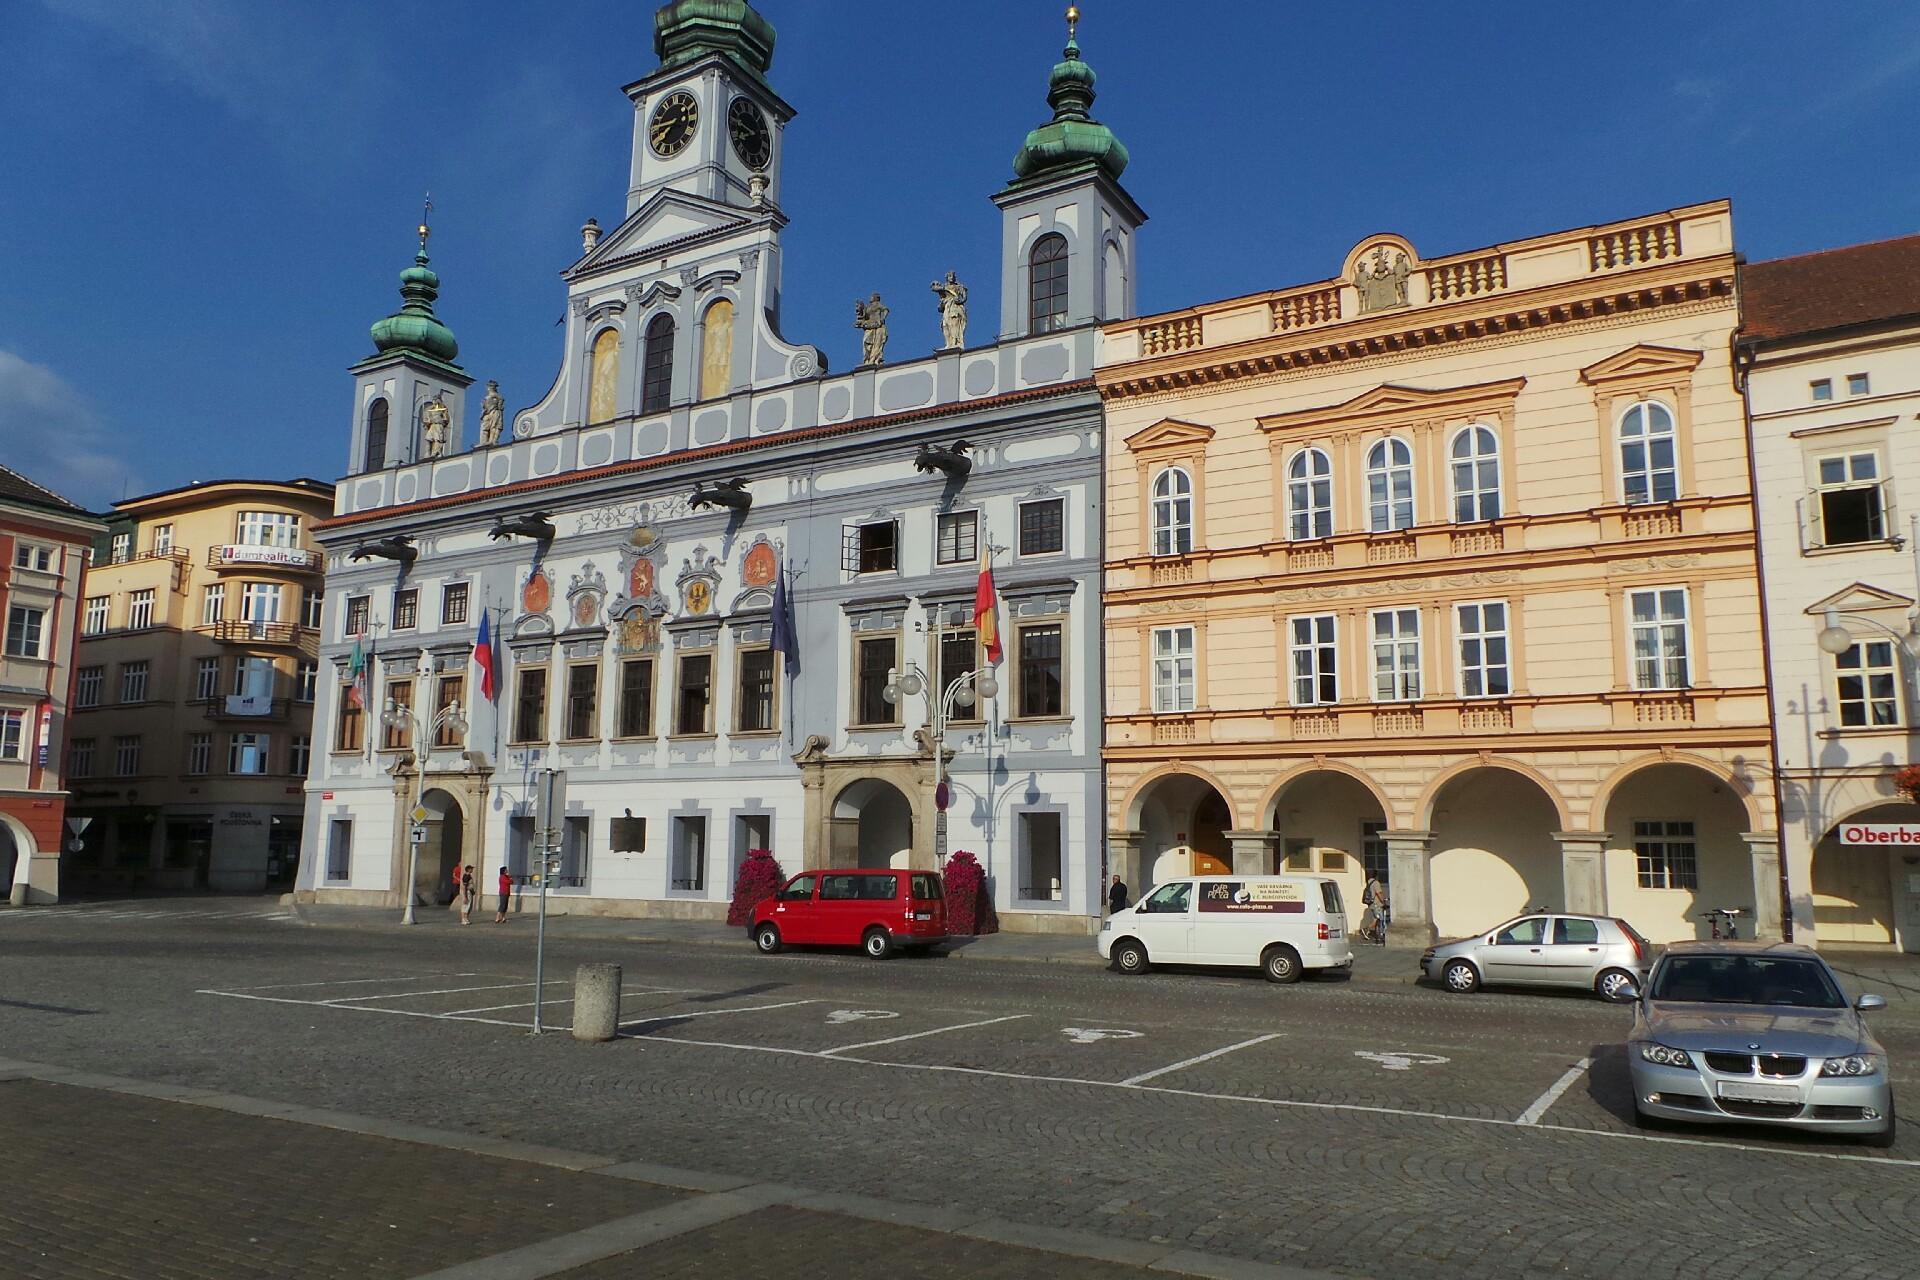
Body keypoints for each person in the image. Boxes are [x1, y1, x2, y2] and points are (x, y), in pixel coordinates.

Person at [1362, 874, 1391, 945]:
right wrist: (1383, 901)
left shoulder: (1369, 883)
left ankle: (1368, 930)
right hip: (1377, 904)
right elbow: (1379, 893)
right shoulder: (1376, 883)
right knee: (1380, 920)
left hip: (1372, 904)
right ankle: (1378, 934)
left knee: (1375, 919)